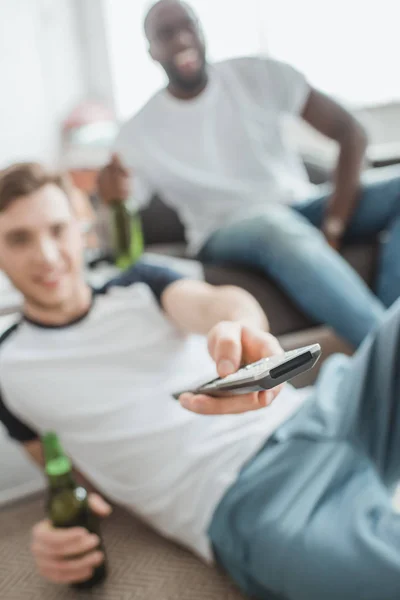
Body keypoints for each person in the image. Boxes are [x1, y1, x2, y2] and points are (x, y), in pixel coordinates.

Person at [1, 163, 400, 600]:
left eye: (57, 230)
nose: (46, 255)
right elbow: (71, 480)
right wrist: (63, 534)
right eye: (18, 239)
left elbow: (218, 304)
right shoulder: (8, 370)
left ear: (82, 231)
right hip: (254, 499)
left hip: (328, 407)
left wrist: (242, 328)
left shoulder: (140, 283)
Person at [99, 0, 400, 349]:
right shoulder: (137, 134)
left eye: (189, 25)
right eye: (166, 33)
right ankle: (389, 353)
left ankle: (390, 328)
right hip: (226, 231)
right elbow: (119, 232)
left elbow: (352, 132)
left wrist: (333, 226)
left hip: (301, 207)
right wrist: (111, 200)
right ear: (151, 50)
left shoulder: (257, 74)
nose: (181, 38)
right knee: (271, 224)